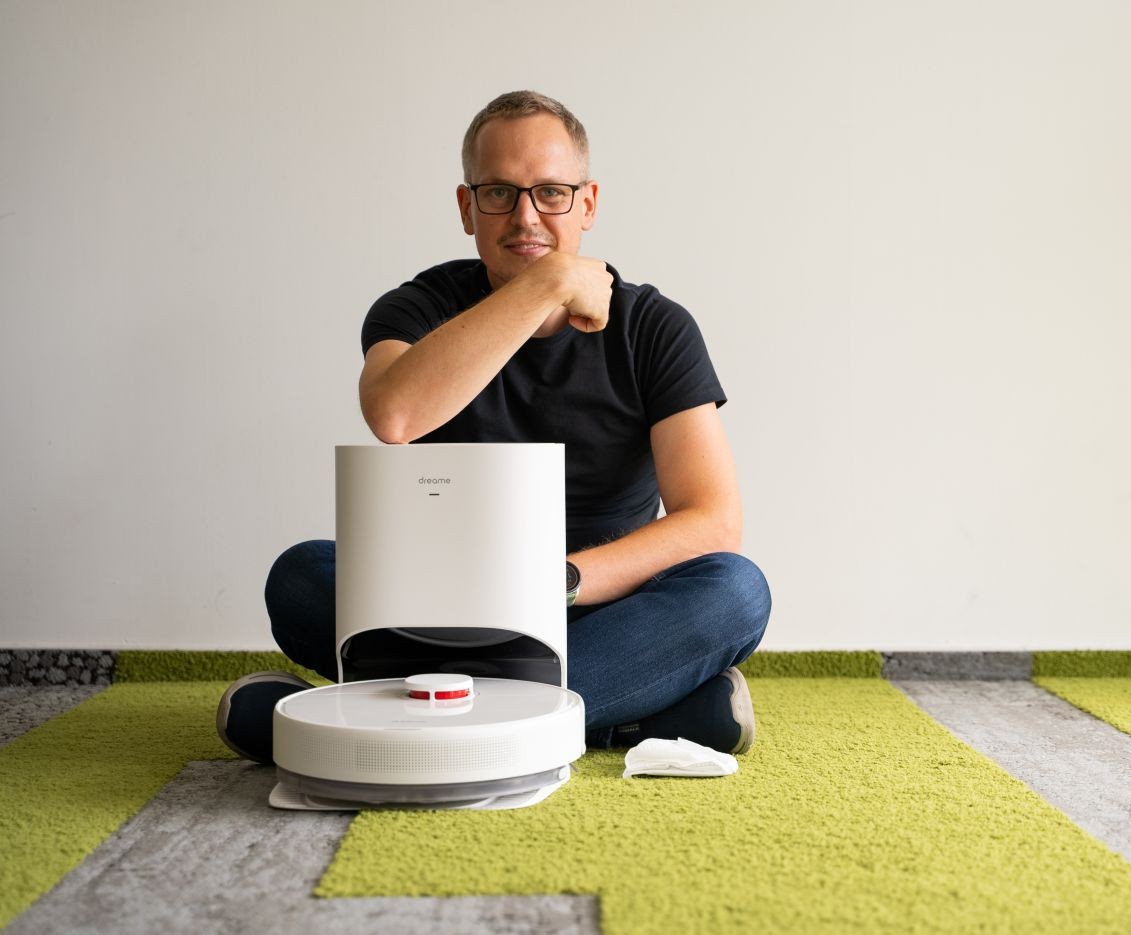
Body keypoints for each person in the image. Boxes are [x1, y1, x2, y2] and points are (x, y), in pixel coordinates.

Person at [216, 90, 771, 763]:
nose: (526, 216)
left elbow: (713, 521)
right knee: (302, 574)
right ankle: (609, 719)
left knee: (737, 591)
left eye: (552, 193)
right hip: (443, 609)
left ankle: (389, 716)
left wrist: (553, 580)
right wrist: (549, 281)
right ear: (466, 207)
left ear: (588, 204)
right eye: (500, 193)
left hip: (598, 605)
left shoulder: (655, 327)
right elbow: (394, 414)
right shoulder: (418, 306)